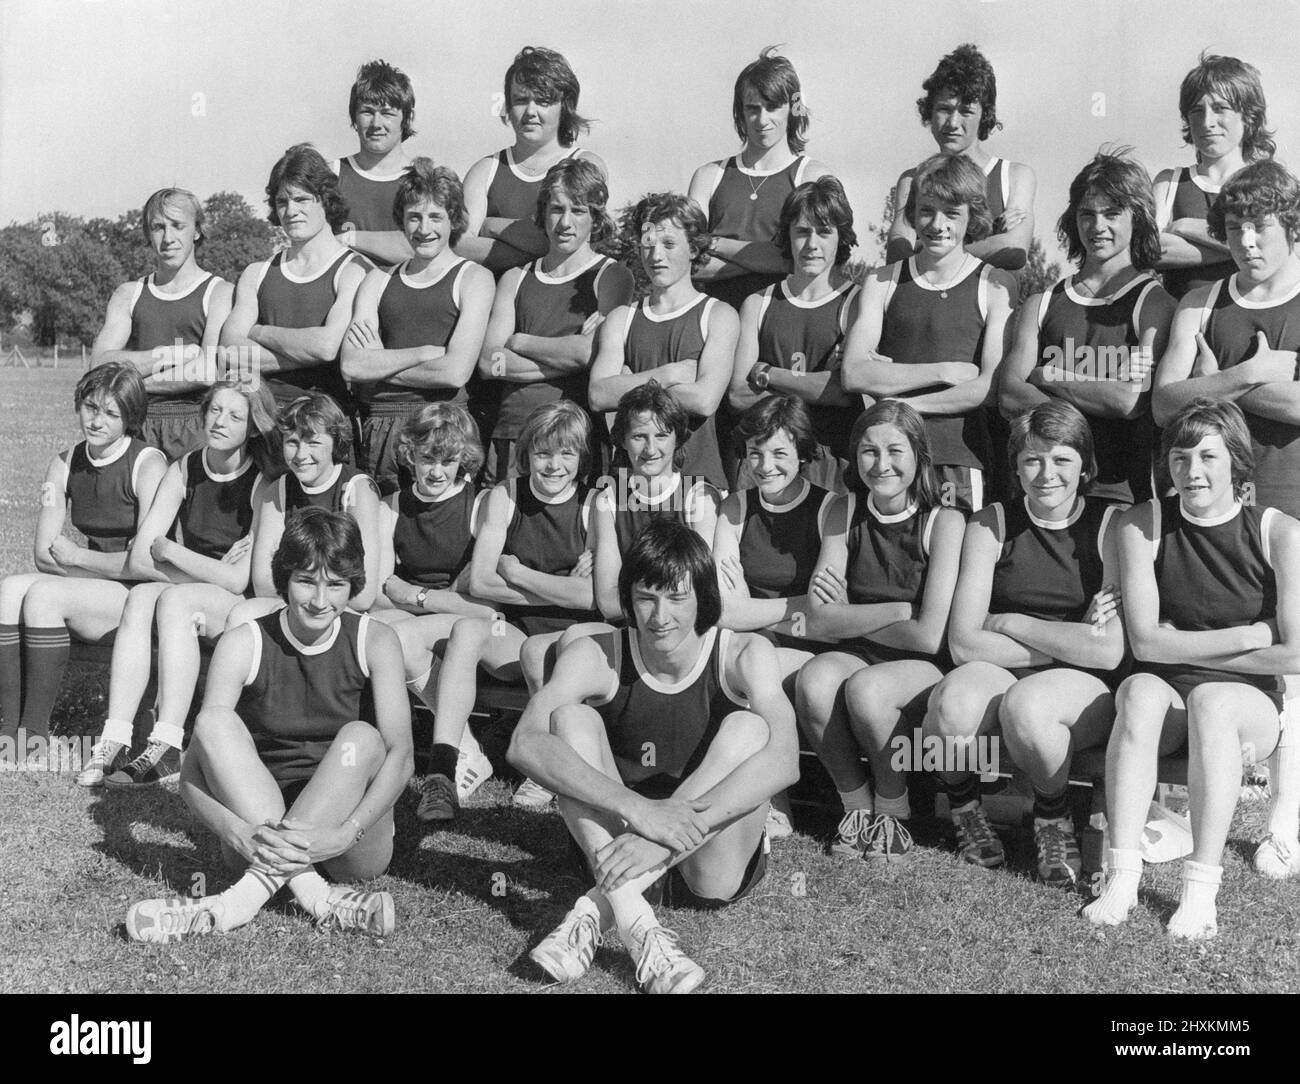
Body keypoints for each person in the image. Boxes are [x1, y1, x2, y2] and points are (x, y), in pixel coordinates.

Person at [510, 520, 798, 994]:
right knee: (568, 721)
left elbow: (786, 760)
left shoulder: (745, 652)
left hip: (709, 865)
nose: (660, 616)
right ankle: (635, 920)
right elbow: (525, 743)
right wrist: (641, 814)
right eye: (646, 597)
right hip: (614, 843)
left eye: (677, 598)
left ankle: (596, 910)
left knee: (750, 728)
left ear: (704, 599)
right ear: (628, 600)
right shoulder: (595, 653)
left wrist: (663, 838)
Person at [125, 508, 413, 942]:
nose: (320, 600)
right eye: (305, 581)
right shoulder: (243, 642)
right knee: (214, 721)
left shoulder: (376, 639)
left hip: (346, 842)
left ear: (352, 585)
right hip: (257, 828)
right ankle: (318, 896)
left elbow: (402, 756)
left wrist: (343, 834)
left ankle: (232, 905)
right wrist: (236, 832)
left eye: (335, 585)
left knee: (362, 738)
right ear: (283, 579)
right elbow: (191, 774)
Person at [1084, 399, 1300, 938]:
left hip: (1248, 703)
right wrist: (1251, 635)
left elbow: (1295, 654)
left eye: (1208, 456)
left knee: (1214, 700)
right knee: (1137, 689)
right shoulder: (1142, 523)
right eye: (1180, 458)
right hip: (1170, 696)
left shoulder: (1279, 532)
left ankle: (1201, 888)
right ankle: (1123, 874)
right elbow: (1146, 642)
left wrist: (1184, 643)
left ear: (1237, 463)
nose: (1193, 471)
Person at [921, 401, 1126, 880]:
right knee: (951, 705)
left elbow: (1107, 651)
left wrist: (1011, 620)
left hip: (1079, 683)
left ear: (1086, 466)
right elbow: (964, 644)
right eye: (1032, 460)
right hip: (1007, 666)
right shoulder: (990, 523)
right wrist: (1073, 635)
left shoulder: (1111, 525)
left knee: (1026, 705)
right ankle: (966, 810)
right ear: (1015, 466)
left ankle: (1053, 817)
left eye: (1061, 460)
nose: (1046, 474)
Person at [76, 376, 279, 788]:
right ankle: (114, 738)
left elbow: (239, 580)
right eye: (215, 411)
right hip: (202, 586)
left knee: (174, 602)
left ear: (252, 427)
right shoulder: (185, 466)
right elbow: (139, 555)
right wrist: (199, 566)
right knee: (141, 598)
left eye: (235, 416)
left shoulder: (263, 481)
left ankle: (168, 744)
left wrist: (170, 552)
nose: (220, 421)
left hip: (242, 605)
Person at [410, 400, 599, 818]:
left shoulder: (594, 504)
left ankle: (546, 761)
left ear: (581, 458)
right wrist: (564, 586)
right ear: (527, 452)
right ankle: (443, 768)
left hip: (576, 636)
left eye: (566, 454)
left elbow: (594, 599)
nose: (553, 466)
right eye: (543, 453)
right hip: (514, 632)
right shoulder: (505, 496)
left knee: (543, 651)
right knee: (468, 630)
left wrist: (518, 573)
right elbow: (481, 582)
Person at [794, 400, 964, 860]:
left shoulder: (944, 521)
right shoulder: (841, 512)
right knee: (814, 681)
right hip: (857, 651)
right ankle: (855, 805)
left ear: (919, 457)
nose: (881, 464)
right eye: (869, 452)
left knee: (867, 690)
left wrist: (855, 612)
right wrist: (897, 609)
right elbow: (822, 619)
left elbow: (929, 635)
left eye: (895, 451)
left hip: (920, 667)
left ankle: (894, 809)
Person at [0, 364, 167, 755]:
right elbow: (44, 553)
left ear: (130, 418)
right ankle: (8, 730)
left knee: (45, 597)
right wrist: (88, 564)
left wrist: (78, 557)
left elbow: (141, 563)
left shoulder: (148, 463)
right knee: (8, 590)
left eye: (111, 413)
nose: (97, 420)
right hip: (94, 582)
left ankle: (32, 737)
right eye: (91, 407)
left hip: (140, 594)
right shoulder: (64, 461)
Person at [842, 154, 1017, 514]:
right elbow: (854, 372)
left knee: (954, 565)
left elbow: (988, 388)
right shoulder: (882, 280)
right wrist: (944, 372)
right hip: (887, 460)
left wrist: (902, 404)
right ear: (912, 213)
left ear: (972, 217)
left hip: (959, 457)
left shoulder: (996, 283)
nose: (938, 225)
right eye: (927, 211)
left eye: (951, 213)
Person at [1000, 149, 1176, 505]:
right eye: (1087, 214)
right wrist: (1090, 402)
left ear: (1137, 218)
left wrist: (1051, 375)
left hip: (1123, 495)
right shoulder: (1043, 301)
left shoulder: (1153, 303)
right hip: (1048, 493)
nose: (1097, 227)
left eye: (1112, 214)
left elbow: (1129, 400)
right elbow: (1008, 394)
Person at [370, 403, 498, 815]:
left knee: (395, 635)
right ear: (411, 456)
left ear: (465, 460)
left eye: (448, 460)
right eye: (427, 459)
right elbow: (377, 590)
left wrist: (414, 596)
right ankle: (466, 749)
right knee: (373, 626)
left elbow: (483, 603)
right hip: (425, 617)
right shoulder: (391, 505)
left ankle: (445, 759)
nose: (437, 471)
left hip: (476, 626)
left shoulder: (479, 505)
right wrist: (417, 597)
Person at [477, 157, 634, 486]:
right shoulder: (514, 278)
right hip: (514, 431)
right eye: (556, 209)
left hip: (574, 437)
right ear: (542, 213)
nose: (565, 222)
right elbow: (491, 364)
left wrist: (521, 342)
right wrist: (572, 356)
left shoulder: (611, 276)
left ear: (595, 217)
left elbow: (591, 355)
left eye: (578, 210)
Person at [341, 159, 493, 496]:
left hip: (446, 427)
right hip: (383, 423)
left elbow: (454, 372)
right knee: (383, 530)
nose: (424, 229)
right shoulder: (378, 279)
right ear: (402, 221)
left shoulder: (474, 278)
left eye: (435, 216)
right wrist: (424, 354)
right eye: (414, 217)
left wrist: (380, 364)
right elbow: (352, 365)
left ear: (454, 219)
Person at [589, 193, 739, 491]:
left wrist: (630, 385)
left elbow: (704, 400)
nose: (656, 256)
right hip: (632, 485)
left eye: (669, 244)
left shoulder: (718, 315)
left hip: (698, 481)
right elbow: (597, 394)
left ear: (694, 248)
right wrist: (668, 375)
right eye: (648, 245)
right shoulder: (622, 318)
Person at [729, 177, 862, 492]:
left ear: (841, 237)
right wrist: (816, 385)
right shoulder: (758, 303)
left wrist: (766, 372)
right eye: (802, 232)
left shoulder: (857, 303)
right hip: (765, 462)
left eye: (824, 232)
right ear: (787, 235)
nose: (812, 244)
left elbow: (842, 392)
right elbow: (738, 395)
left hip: (830, 460)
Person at [220, 144, 370, 413]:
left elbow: (326, 347)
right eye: (282, 202)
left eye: (301, 199)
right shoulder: (258, 272)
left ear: (325, 199)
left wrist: (258, 332)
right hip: (263, 417)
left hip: (322, 421)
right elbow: (231, 352)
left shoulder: (354, 270)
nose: (290, 211)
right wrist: (304, 354)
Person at [687, 46, 831, 315]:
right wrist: (769, 258)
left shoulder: (812, 176)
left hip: (783, 320)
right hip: (715, 322)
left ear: (794, 107)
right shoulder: (709, 176)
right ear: (739, 112)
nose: (762, 120)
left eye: (773, 107)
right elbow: (689, 263)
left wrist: (715, 244)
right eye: (753, 108)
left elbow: (811, 261)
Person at [92, 188, 234, 460]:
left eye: (178, 226)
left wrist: (130, 384)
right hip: (135, 425)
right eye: (158, 227)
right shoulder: (128, 294)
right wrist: (176, 355)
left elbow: (206, 371)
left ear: (196, 231)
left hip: (196, 427)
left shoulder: (219, 292)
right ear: (148, 234)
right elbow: (99, 365)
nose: (168, 238)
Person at [457, 46, 607, 279]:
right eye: (520, 100)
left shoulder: (585, 164)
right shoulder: (485, 170)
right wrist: (536, 249)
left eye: (543, 101)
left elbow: (571, 240)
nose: (530, 111)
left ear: (564, 106)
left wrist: (491, 226)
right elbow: (459, 247)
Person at [887, 44, 1036, 272]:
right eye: (944, 109)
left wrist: (928, 248)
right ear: (929, 110)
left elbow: (1013, 250)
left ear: (984, 115)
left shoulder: (1014, 176)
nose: (953, 123)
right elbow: (898, 256)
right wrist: (988, 244)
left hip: (989, 306)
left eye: (966, 112)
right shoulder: (911, 180)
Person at [238, 394, 383, 624]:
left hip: (339, 609)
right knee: (243, 615)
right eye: (292, 442)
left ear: (335, 441)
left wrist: (308, 589)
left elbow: (362, 595)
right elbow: (264, 583)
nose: (301, 455)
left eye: (313, 442)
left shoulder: (357, 489)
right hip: (294, 604)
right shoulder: (279, 490)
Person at [591, 383, 720, 622]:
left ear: (677, 439)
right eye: (639, 436)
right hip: (628, 628)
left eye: (661, 436)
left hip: (683, 628)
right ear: (623, 440)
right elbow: (608, 603)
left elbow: (700, 591)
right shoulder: (609, 500)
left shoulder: (698, 496)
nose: (651, 449)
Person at [1154, 53, 1275, 301]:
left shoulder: (1269, 184)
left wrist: (1183, 226)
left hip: (1248, 326)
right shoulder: (1170, 182)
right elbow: (1151, 251)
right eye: (1197, 111)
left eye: (1220, 108)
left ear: (1248, 116)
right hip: (1179, 326)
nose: (1207, 122)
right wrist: (1241, 246)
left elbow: (1279, 251)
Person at [333, 59, 420, 269]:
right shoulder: (331, 174)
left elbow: (419, 248)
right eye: (367, 112)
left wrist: (347, 238)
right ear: (354, 116)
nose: (376, 124)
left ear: (406, 119)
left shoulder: (425, 179)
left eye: (388, 113)